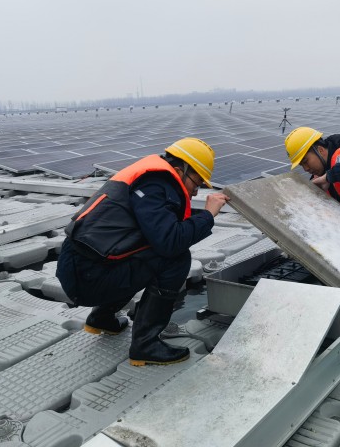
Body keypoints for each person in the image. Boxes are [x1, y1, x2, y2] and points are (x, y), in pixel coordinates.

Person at [56, 138, 229, 367]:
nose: (195, 191)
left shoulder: (150, 179)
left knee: (144, 255)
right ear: (180, 171)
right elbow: (170, 242)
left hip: (82, 268)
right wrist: (207, 216)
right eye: (196, 183)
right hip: (87, 278)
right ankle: (145, 346)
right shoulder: (156, 186)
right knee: (175, 259)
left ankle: (102, 318)